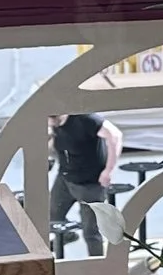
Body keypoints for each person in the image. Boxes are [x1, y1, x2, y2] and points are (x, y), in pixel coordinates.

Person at [49, 106, 124, 254]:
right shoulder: (54, 126)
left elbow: (115, 135)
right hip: (65, 178)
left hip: (90, 184)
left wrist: (108, 170)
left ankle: (97, 272)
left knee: (91, 232)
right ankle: (66, 236)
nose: (52, 124)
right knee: (52, 218)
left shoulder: (85, 120)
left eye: (53, 121)